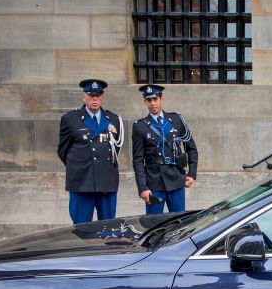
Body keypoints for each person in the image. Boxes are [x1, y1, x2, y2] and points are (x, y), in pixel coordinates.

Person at [57, 79, 124, 224]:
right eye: (91, 95)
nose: (95, 99)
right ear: (84, 97)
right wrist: (80, 164)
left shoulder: (113, 119)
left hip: (106, 181)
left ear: (102, 98)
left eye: (98, 95)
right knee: (81, 229)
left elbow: (115, 148)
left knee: (108, 228)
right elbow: (63, 150)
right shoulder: (71, 119)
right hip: (82, 181)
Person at [131, 84, 199, 214]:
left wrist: (191, 173)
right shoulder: (140, 126)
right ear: (145, 102)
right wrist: (142, 187)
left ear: (161, 99)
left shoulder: (176, 120)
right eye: (149, 100)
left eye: (155, 99)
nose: (152, 104)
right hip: (154, 182)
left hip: (176, 179)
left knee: (179, 222)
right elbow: (138, 160)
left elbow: (191, 148)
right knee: (154, 224)